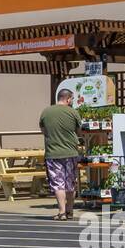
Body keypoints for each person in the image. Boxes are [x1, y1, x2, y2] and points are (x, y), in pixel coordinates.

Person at [39, 88, 82, 220]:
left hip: (53, 153)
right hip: (71, 152)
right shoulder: (73, 112)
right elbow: (78, 132)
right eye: (72, 99)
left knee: (58, 183)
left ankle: (62, 212)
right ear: (68, 99)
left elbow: (43, 130)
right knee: (70, 182)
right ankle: (69, 211)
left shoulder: (46, 112)